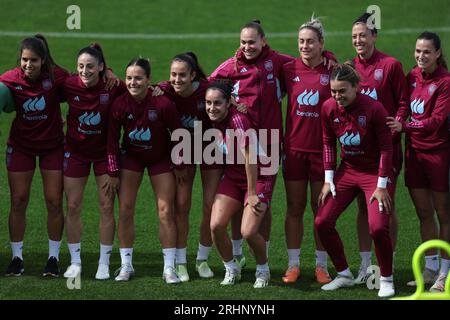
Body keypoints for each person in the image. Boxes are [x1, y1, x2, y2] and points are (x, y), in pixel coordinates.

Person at [209, 20, 294, 266]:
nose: (247, 47)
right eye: (243, 42)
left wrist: (329, 55)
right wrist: (232, 101)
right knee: (240, 198)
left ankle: (261, 256)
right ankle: (237, 255)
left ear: (263, 41)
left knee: (261, 206)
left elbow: (305, 65)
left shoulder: (276, 61)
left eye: (252, 42)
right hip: (239, 147)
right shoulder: (232, 65)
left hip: (269, 146)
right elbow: (209, 85)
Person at [316, 63, 395, 298]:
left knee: (378, 227)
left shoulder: (374, 109)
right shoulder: (328, 108)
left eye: (342, 91)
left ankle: (386, 279)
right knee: (322, 222)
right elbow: (328, 142)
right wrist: (329, 179)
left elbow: (387, 148)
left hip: (374, 174)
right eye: (333, 91)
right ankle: (344, 274)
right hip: (347, 171)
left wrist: (382, 185)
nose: (337, 96)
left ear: (356, 87)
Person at [104, 58, 185, 283]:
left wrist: (179, 165)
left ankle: (169, 268)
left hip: (160, 159)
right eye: (129, 78)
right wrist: (112, 171)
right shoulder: (119, 105)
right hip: (132, 159)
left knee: (165, 211)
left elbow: (179, 134)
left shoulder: (163, 104)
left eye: (138, 78)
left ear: (148, 80)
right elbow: (112, 141)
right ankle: (126, 266)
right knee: (126, 209)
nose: (133, 82)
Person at [387, 31, 450, 292]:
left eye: (426, 51)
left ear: (437, 53)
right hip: (414, 155)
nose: (421, 56)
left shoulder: (445, 82)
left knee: (444, 214)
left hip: (438, 156)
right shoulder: (412, 76)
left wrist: (405, 126)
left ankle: (445, 274)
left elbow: (436, 121)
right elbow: (400, 102)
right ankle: (430, 268)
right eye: (418, 51)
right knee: (423, 213)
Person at [0, 35, 68, 277]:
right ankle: (17, 258)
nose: (28, 65)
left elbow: (84, 83)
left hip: (52, 147)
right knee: (18, 201)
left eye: (34, 60)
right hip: (21, 147)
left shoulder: (56, 76)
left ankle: (53, 257)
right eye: (24, 60)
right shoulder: (9, 79)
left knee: (53, 201)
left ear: (44, 61)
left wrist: (108, 71)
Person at [351, 12, 409, 284]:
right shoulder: (350, 67)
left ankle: (389, 260)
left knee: (385, 206)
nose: (358, 40)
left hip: (387, 150)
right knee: (363, 208)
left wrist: (398, 122)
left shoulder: (391, 65)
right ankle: (365, 265)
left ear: (374, 36)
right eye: (354, 36)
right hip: (360, 153)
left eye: (363, 35)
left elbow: (404, 102)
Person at [61, 43, 126, 280]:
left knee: (107, 206)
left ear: (101, 67)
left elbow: (137, 90)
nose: (85, 71)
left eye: (90, 66)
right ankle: (75, 261)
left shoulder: (113, 86)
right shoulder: (68, 84)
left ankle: (104, 263)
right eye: (80, 66)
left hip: (104, 155)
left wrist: (112, 75)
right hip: (75, 153)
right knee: (73, 206)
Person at [156, 52, 222, 281]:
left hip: (209, 149)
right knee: (181, 205)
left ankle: (202, 259)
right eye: (173, 74)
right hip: (181, 151)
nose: (177, 80)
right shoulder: (164, 90)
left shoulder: (207, 91)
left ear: (193, 75)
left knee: (209, 205)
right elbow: (137, 86)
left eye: (182, 75)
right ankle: (181, 262)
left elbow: (231, 95)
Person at [281, 17, 333, 285]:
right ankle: (293, 265)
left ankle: (321, 266)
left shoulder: (332, 71)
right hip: (294, 151)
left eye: (311, 41)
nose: (305, 46)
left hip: (322, 153)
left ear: (321, 44)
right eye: (301, 41)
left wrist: (332, 59)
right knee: (294, 208)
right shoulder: (288, 69)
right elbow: (262, 57)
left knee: (320, 210)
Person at [207, 81, 273, 288]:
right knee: (216, 226)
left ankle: (263, 270)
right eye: (208, 103)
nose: (211, 107)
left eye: (217, 103)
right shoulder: (215, 118)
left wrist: (252, 193)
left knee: (249, 232)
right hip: (234, 176)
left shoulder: (238, 121)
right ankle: (231, 268)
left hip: (259, 176)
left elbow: (250, 158)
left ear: (229, 103)